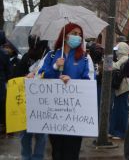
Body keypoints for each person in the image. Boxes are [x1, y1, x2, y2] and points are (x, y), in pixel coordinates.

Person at [38, 23, 92, 160]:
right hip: (54, 115)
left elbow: (90, 83)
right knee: (57, 152)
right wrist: (55, 67)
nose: (78, 37)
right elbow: (40, 78)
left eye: (80, 35)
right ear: (65, 35)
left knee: (72, 153)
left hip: (75, 116)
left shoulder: (85, 58)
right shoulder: (51, 56)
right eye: (74, 33)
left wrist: (72, 81)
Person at [11, 35, 49, 160]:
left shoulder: (49, 57)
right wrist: (25, 76)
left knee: (41, 134)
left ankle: (38, 157)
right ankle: (25, 156)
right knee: (25, 133)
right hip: (26, 104)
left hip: (43, 103)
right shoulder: (27, 57)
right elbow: (15, 76)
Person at [109, 41, 129, 139]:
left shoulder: (125, 58)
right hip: (120, 88)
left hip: (123, 88)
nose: (116, 52)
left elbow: (114, 66)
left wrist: (107, 59)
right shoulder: (121, 58)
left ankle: (121, 132)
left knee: (122, 110)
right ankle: (113, 130)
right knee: (116, 110)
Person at [0, 30, 12, 136]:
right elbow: (9, 71)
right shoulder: (4, 54)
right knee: (2, 105)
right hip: (1, 84)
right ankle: (3, 125)